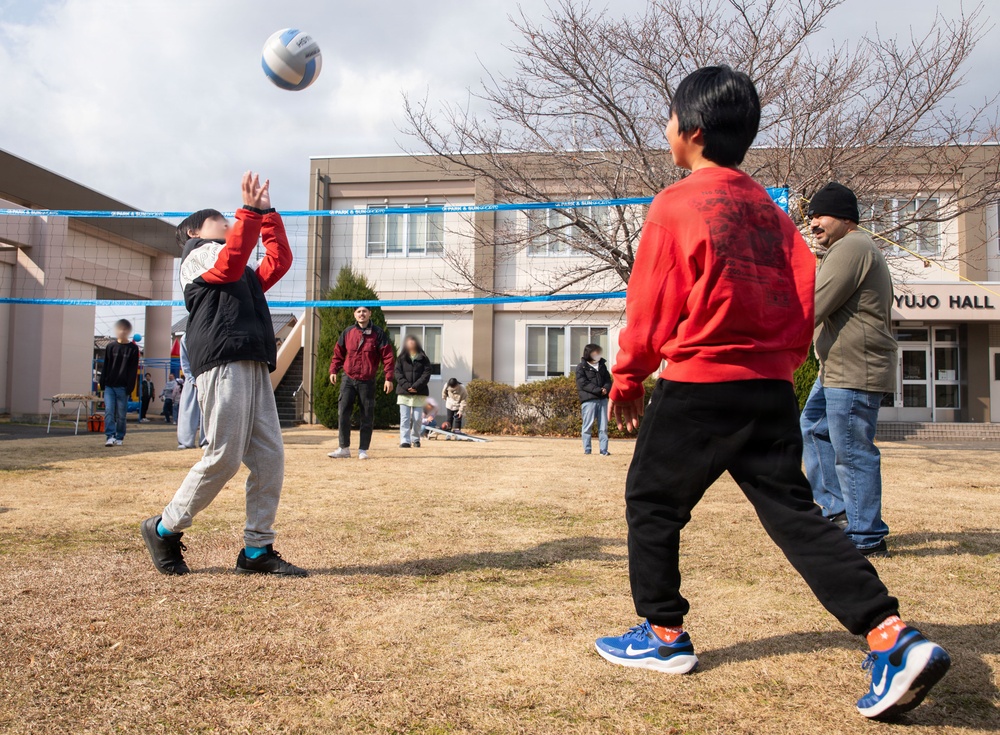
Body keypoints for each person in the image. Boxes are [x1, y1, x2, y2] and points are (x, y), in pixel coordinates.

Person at [594, 66, 948, 720]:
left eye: (669, 118)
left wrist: (626, 374)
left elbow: (650, 301)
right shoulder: (771, 211)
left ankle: (664, 634)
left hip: (699, 384)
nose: (664, 129)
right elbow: (800, 297)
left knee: (651, 499)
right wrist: (782, 363)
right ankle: (890, 635)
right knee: (799, 516)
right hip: (768, 389)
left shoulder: (676, 203)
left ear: (691, 132)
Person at [140, 172, 306, 577]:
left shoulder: (238, 265)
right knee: (224, 457)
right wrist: (249, 212)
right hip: (223, 360)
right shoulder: (198, 255)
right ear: (196, 230)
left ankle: (256, 550)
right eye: (222, 220)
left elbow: (277, 262)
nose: (230, 224)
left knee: (270, 459)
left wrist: (265, 215)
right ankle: (163, 528)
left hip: (251, 360)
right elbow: (231, 262)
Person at [800, 182, 897, 558]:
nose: (813, 224)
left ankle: (866, 536)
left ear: (845, 217)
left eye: (820, 216)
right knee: (813, 428)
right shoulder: (844, 249)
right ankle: (839, 513)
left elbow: (814, 305)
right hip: (837, 368)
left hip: (857, 369)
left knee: (853, 451)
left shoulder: (852, 247)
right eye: (810, 218)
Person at [326, 306, 395, 460]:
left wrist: (388, 378)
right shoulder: (348, 332)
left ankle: (363, 449)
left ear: (370, 314)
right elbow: (338, 353)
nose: (361, 314)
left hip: (367, 381)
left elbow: (388, 357)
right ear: (354, 315)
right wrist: (333, 370)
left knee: (367, 415)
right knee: (343, 412)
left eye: (364, 311)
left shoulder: (378, 334)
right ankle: (343, 448)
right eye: (359, 311)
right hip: (348, 379)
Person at [99, 319, 140, 447]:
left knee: (121, 414)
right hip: (109, 386)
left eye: (124, 329)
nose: (121, 331)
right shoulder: (110, 347)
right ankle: (110, 436)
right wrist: (102, 382)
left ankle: (120, 436)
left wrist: (130, 387)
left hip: (123, 387)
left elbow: (133, 369)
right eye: (119, 329)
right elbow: (106, 365)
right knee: (109, 411)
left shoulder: (133, 349)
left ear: (128, 331)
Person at [394, 335, 433, 448]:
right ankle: (405, 440)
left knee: (417, 418)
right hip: (404, 393)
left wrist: (416, 386)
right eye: (409, 343)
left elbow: (426, 374)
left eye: (413, 343)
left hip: (419, 392)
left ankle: (415, 439)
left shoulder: (424, 358)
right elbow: (397, 373)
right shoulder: (401, 358)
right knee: (405, 418)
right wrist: (407, 386)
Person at [575, 343, 612, 456]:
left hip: (603, 400)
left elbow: (608, 380)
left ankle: (603, 450)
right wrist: (598, 390)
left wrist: (606, 389)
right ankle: (587, 450)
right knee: (587, 426)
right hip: (589, 400)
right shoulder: (581, 367)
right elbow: (582, 383)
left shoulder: (602, 365)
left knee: (603, 427)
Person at [176, 335, 206, 450]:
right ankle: (186, 441)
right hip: (192, 380)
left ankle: (207, 441)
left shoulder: (210, 332)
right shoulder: (186, 337)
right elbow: (185, 362)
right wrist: (191, 379)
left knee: (208, 411)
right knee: (188, 410)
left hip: (207, 378)